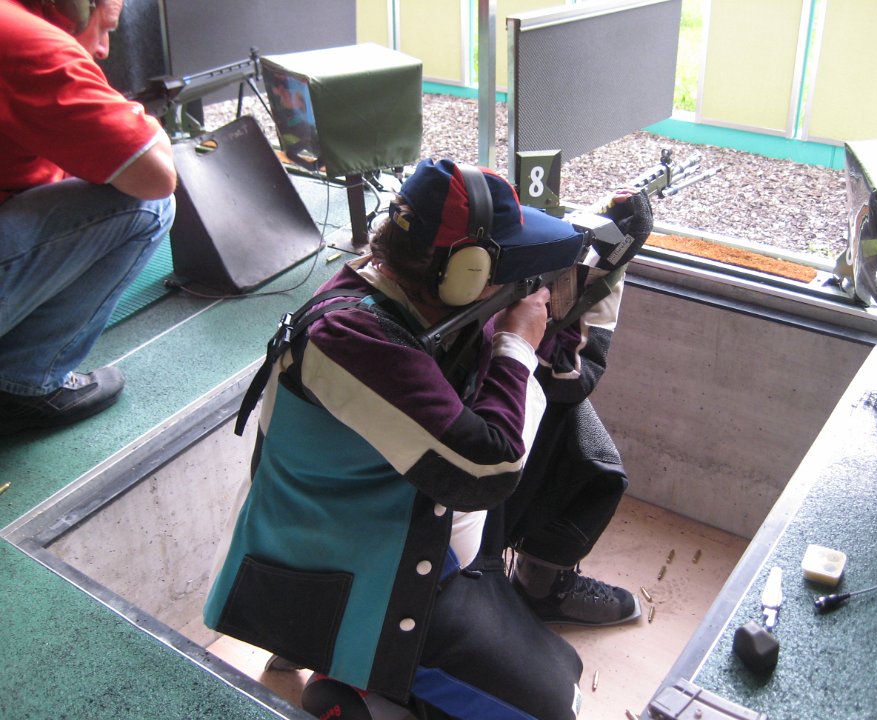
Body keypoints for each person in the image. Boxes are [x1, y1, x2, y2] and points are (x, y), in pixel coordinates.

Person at [204, 159, 652, 719]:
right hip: (348, 572)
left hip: (404, 527)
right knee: (555, 708)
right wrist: (515, 344)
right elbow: (485, 471)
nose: (516, 285)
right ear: (462, 275)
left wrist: (605, 266)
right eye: (506, 269)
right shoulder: (347, 337)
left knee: (562, 669)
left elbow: (558, 362)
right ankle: (353, 688)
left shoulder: (414, 293)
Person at [0, 0, 177, 435]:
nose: (103, 48)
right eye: (105, 27)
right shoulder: (30, 43)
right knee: (147, 208)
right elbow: (155, 176)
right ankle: (24, 383)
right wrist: (138, 120)